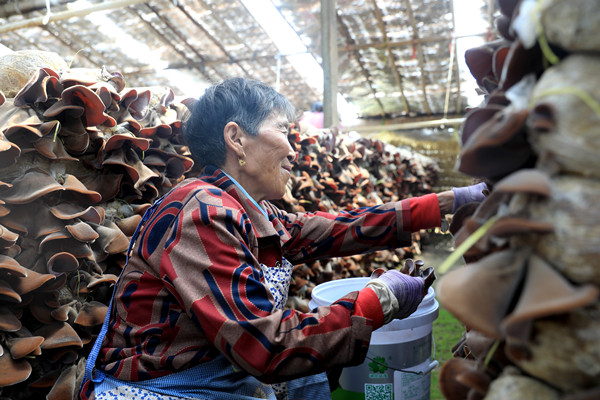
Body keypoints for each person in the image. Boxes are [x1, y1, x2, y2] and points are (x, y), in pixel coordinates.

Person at [78, 78, 486, 400]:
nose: (293, 151)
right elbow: (265, 347)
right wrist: (380, 300)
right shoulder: (201, 213)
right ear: (236, 138)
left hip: (221, 379)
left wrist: (448, 202)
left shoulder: (248, 211)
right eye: (283, 131)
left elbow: (336, 227)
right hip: (169, 389)